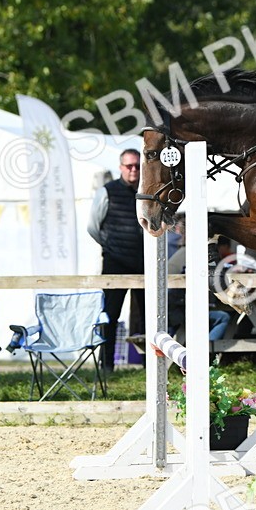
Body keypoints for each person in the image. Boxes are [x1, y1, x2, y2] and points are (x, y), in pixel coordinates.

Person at [88, 149, 145, 370]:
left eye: (137, 166)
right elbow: (92, 227)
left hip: (143, 263)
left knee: (147, 317)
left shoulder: (148, 190)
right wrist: (111, 246)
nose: (133, 170)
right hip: (115, 263)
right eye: (129, 166)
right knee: (110, 316)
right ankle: (106, 365)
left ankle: (148, 365)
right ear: (121, 167)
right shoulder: (107, 191)